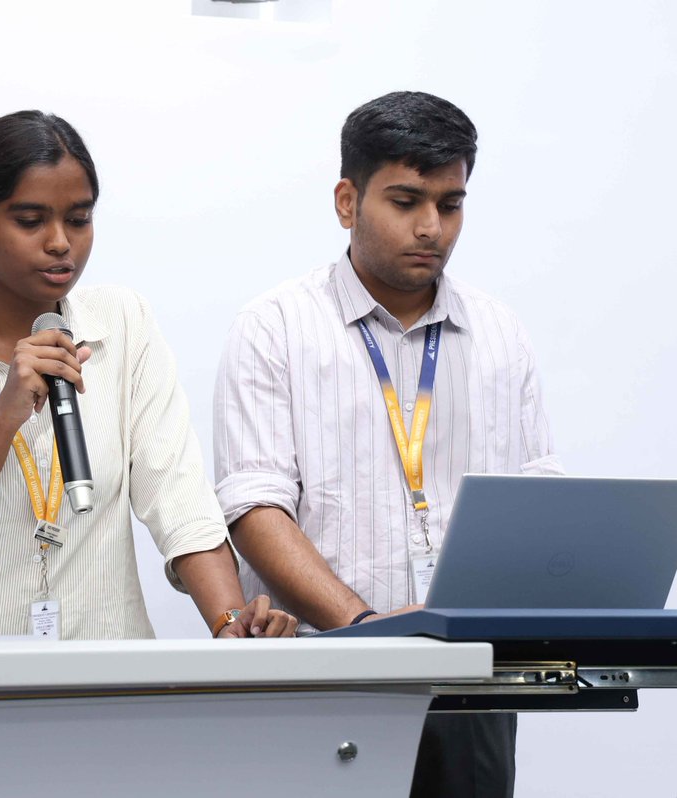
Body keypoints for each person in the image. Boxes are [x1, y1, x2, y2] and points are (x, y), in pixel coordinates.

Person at [213, 91, 562, 797]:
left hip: (471, 687)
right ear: (347, 201)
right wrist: (366, 627)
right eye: (405, 202)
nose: (431, 227)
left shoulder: (499, 333)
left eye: (450, 204)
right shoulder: (275, 328)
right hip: (321, 677)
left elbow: (534, 501)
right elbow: (254, 509)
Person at [0, 110, 294, 640]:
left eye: (79, 219)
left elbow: (179, 499)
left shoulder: (123, 322)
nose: (60, 242)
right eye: (30, 221)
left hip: (110, 674)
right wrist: (3, 416)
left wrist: (229, 621)